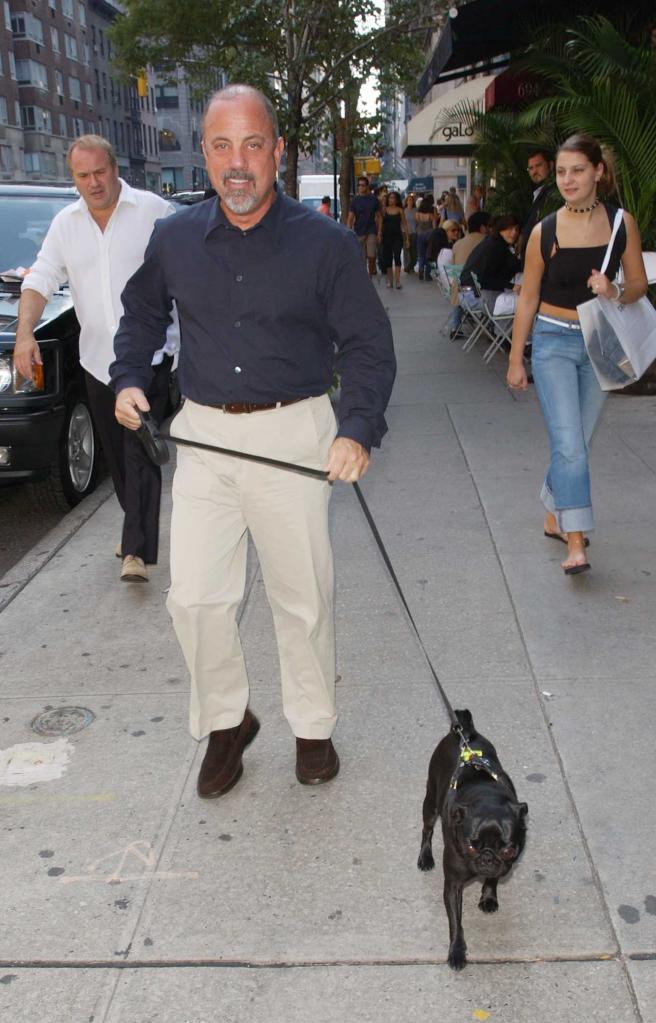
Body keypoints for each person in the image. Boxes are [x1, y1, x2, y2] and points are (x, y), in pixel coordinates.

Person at [110, 84, 396, 793]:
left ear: (276, 150)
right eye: (221, 145)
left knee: (302, 595)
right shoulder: (175, 238)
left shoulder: (324, 244)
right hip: (205, 435)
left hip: (296, 431)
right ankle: (228, 721)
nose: (238, 163)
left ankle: (312, 726)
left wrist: (357, 428)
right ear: (204, 154)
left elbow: (367, 344)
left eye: (252, 144)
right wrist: (127, 377)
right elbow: (141, 316)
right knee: (195, 598)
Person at [13, 135, 176, 583]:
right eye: (83, 176)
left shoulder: (153, 213)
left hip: (149, 359)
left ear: (115, 166)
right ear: (74, 178)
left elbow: (186, 275)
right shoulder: (66, 224)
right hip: (97, 362)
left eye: (100, 172)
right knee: (119, 458)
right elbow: (41, 277)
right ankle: (134, 529)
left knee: (141, 449)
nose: (93, 183)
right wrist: (25, 333)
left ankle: (137, 552)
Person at [506, 133, 648, 575]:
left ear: (598, 172)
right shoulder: (544, 231)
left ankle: (554, 511)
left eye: (577, 170)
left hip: (600, 342)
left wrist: (615, 289)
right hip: (553, 342)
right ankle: (575, 539)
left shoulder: (622, 223)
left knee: (577, 443)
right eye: (562, 171)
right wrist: (515, 358)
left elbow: (641, 284)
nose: (567, 180)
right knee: (569, 444)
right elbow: (527, 297)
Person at [460, 214, 521, 311]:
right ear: (501, 229)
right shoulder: (495, 247)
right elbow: (485, 279)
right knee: (517, 306)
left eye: (516, 229)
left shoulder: (494, 243)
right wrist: (513, 286)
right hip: (475, 296)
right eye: (509, 229)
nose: (514, 233)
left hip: (467, 293)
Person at [447, 211, 492, 337]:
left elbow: (454, 266)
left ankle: (455, 325)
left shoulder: (458, 243)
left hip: (459, 290)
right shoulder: (487, 242)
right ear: (483, 227)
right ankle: (492, 326)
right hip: (477, 291)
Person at [517, 148, 555, 264]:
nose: (534, 171)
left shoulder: (555, 193)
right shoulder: (538, 192)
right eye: (531, 168)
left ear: (551, 165)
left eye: (538, 165)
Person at [347, 176, 380, 278]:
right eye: (359, 185)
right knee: (361, 256)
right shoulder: (355, 201)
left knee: (371, 254)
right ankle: (363, 275)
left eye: (362, 185)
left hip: (371, 230)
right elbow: (350, 217)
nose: (360, 187)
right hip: (359, 230)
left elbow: (379, 216)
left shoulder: (373, 200)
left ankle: (370, 274)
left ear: (367, 186)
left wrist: (379, 232)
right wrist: (349, 231)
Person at [378, 190, 408, 289]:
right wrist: (379, 233)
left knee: (397, 257)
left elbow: (404, 224)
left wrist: (407, 238)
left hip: (397, 237)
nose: (392, 200)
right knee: (388, 259)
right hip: (386, 237)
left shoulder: (400, 210)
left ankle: (398, 281)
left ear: (397, 199)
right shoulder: (384, 210)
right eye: (390, 198)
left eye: (394, 198)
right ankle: (390, 281)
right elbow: (380, 223)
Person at [415, 194, 438, 281]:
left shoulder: (417, 213)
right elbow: (434, 224)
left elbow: (416, 223)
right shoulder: (431, 213)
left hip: (420, 234)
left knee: (421, 255)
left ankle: (421, 269)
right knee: (429, 254)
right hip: (430, 234)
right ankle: (427, 275)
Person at [403, 193, 418, 273]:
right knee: (406, 251)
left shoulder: (416, 210)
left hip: (414, 233)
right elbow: (402, 223)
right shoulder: (403, 211)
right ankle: (406, 266)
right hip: (405, 233)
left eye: (411, 200)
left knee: (414, 252)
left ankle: (411, 265)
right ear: (406, 201)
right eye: (408, 200)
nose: (410, 201)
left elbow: (418, 222)